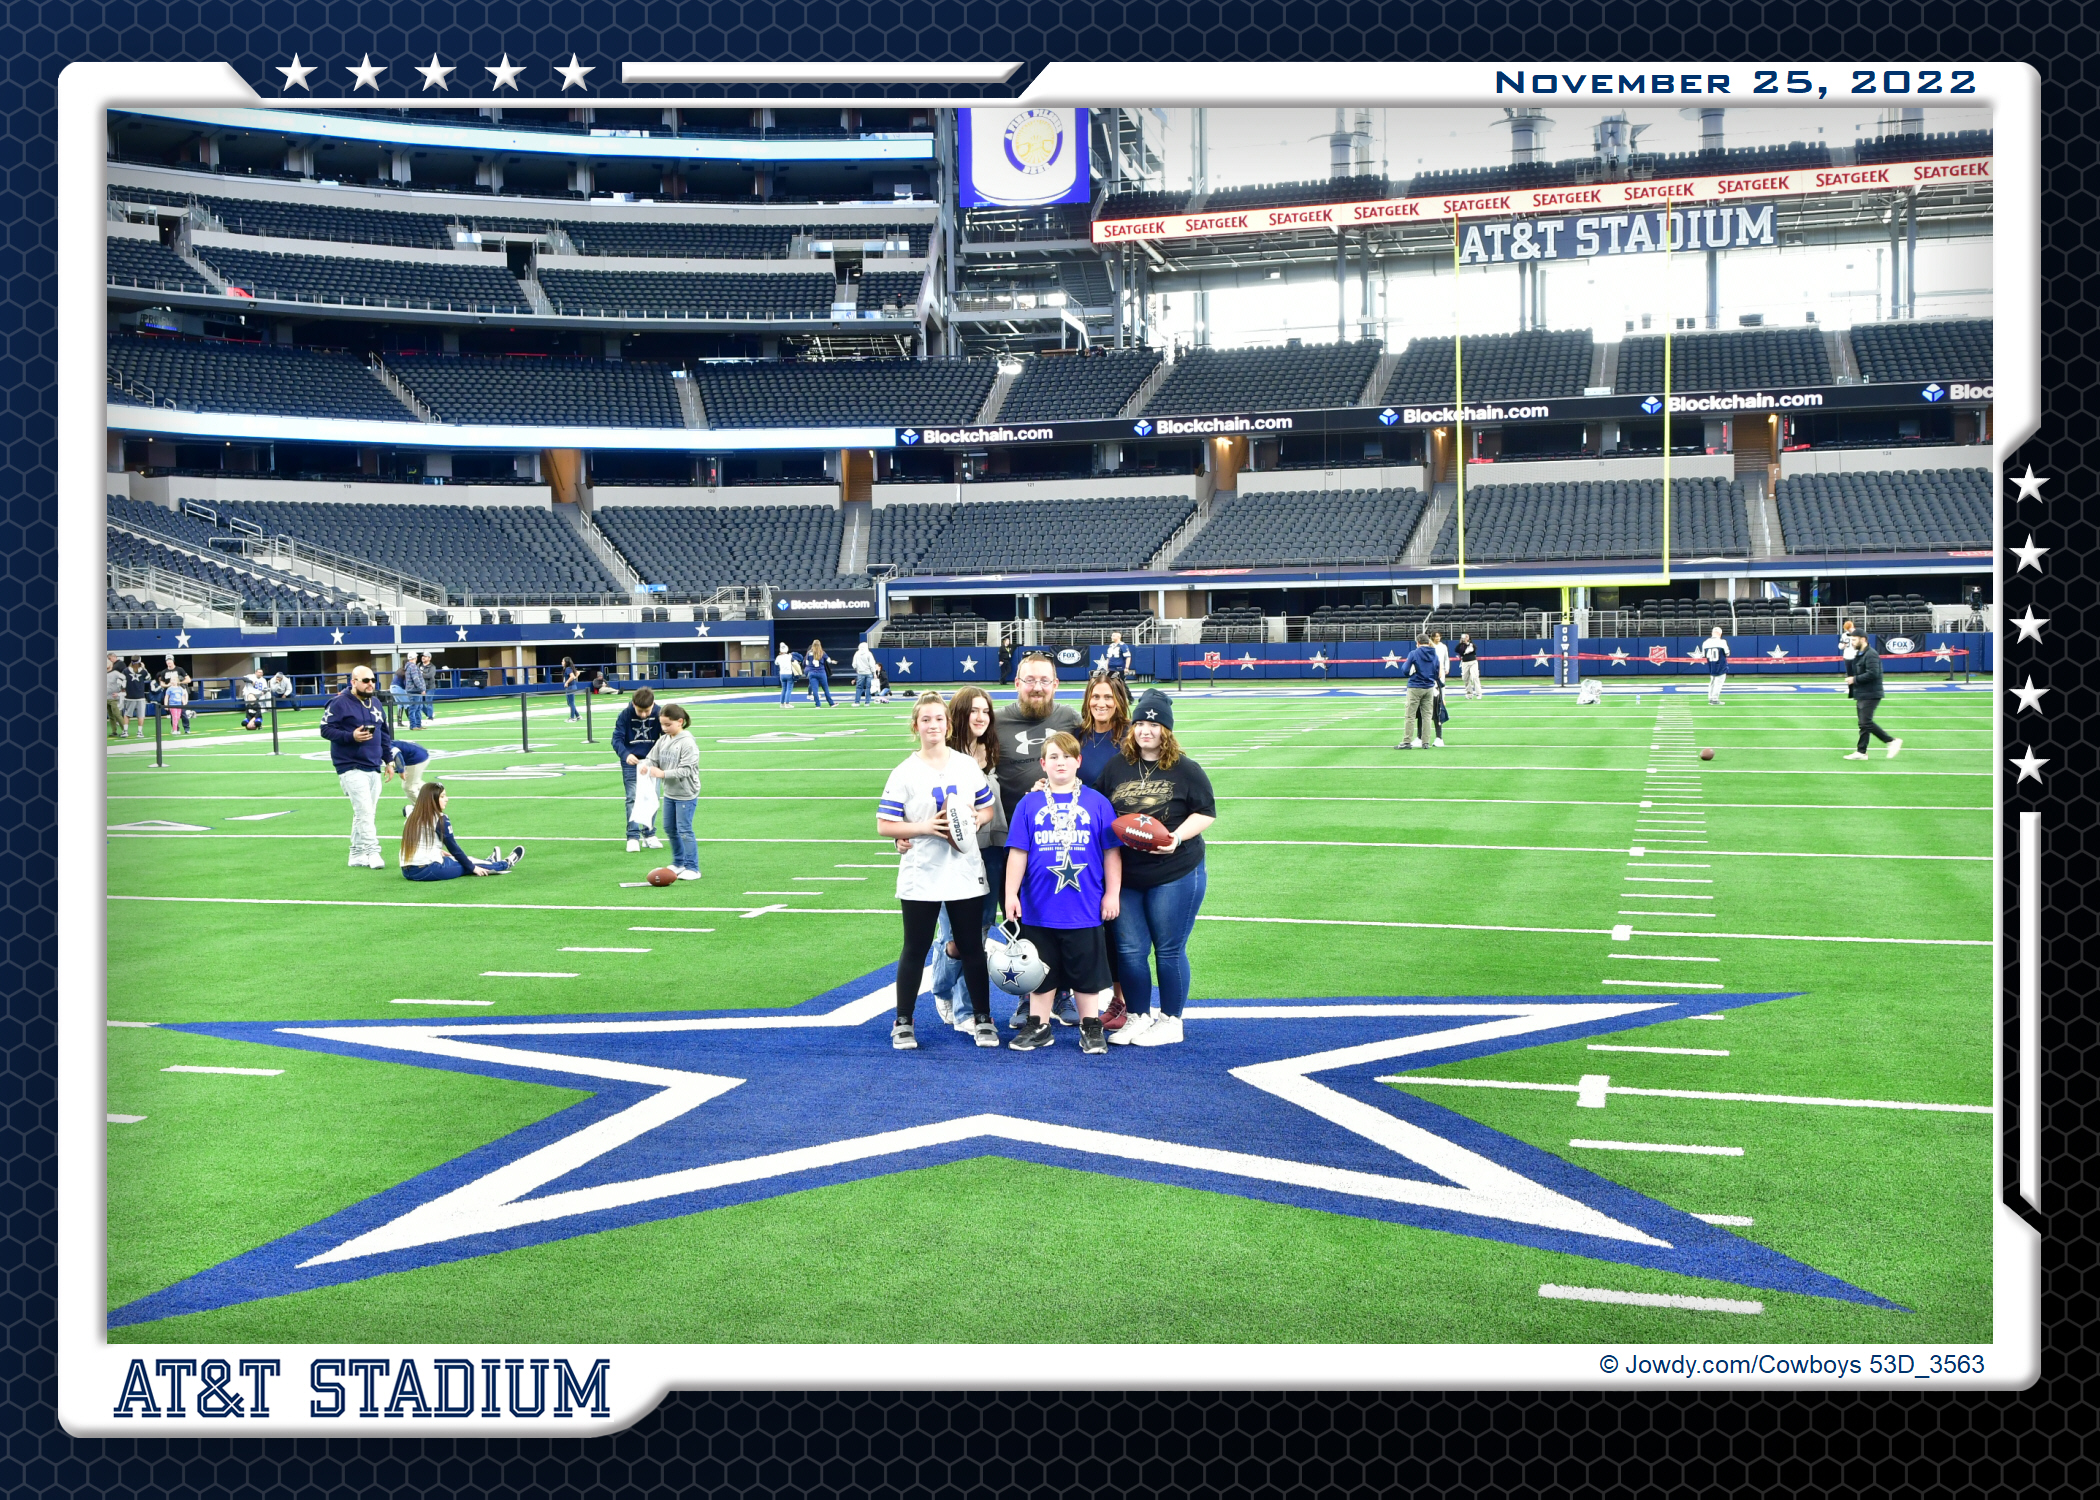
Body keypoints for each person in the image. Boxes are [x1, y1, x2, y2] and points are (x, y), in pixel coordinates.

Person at [875, 691, 999, 1051]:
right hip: (922, 870)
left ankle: (983, 1018)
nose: (933, 725)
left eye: (939, 719)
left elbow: (986, 809)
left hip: (963, 869)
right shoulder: (904, 771)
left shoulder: (966, 765)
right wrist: (925, 828)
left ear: (948, 725)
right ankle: (903, 1021)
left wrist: (974, 819)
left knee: (971, 945)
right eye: (926, 719)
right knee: (914, 948)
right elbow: (885, 824)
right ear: (916, 726)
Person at [1097, 691, 1214, 1047]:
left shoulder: (1186, 769)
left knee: (1168, 949)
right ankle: (1137, 1016)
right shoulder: (1116, 767)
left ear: (1167, 730)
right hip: (1128, 875)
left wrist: (1176, 837)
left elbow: (1206, 813)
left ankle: (1171, 1020)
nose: (1145, 731)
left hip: (1175, 871)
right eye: (1139, 724)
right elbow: (1098, 806)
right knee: (1130, 950)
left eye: (1154, 724)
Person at [1004, 731, 1122, 1055]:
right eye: (1053, 757)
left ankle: (1090, 1026)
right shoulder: (1029, 804)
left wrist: (1112, 894)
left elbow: (1112, 853)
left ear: (1078, 762)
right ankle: (1039, 1025)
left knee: (1086, 972)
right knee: (1040, 971)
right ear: (1042, 763)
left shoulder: (1097, 802)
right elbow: (1018, 852)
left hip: (1084, 905)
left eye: (1067, 756)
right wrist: (1011, 894)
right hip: (1038, 906)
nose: (1060, 762)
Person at [990, 652, 1083, 1024]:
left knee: (1062, 919)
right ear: (1017, 683)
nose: (1037, 687)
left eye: (1045, 680)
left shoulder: (1071, 719)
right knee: (1019, 919)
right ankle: (1029, 997)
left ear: (1056, 684)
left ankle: (1062, 993)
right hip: (1012, 842)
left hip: (1063, 842)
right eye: (1030, 680)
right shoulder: (995, 722)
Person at [927, 686, 1006, 1034]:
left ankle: (965, 1007)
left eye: (986, 711)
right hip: (953, 853)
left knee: (982, 930)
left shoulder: (994, 749)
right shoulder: (942, 756)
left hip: (994, 849)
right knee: (956, 936)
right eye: (974, 710)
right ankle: (945, 991)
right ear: (958, 714)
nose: (981, 717)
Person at [320, 664, 394, 869]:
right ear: (353, 682)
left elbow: (384, 733)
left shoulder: (376, 702)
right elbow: (325, 729)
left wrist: (388, 760)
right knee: (364, 812)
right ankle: (372, 851)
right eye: (366, 680)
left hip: (373, 764)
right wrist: (350, 736)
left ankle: (356, 853)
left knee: (366, 812)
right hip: (350, 765)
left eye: (373, 680)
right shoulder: (339, 703)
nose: (371, 684)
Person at [399, 781, 521, 881]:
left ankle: (488, 861)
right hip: (429, 869)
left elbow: (407, 813)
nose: (446, 799)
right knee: (467, 864)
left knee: (460, 860)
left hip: (406, 871)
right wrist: (473, 868)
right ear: (432, 799)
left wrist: (437, 850)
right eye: (442, 796)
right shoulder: (440, 819)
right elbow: (454, 849)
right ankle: (504, 864)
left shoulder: (412, 814)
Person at [637, 702, 701, 879]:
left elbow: (686, 770)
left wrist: (663, 773)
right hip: (670, 792)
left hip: (686, 793)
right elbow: (652, 758)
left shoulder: (687, 743)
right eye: (662, 724)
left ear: (680, 721)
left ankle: (693, 867)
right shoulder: (664, 739)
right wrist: (646, 765)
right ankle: (679, 862)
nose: (664, 728)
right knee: (669, 828)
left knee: (684, 830)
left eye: (668, 724)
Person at [614, 686, 665, 854]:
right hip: (631, 762)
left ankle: (649, 834)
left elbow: (666, 737)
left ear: (653, 704)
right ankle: (633, 836)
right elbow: (617, 739)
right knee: (632, 798)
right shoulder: (625, 715)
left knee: (653, 797)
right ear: (633, 704)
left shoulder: (660, 713)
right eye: (640, 711)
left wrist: (659, 759)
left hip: (652, 762)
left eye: (647, 711)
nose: (643, 715)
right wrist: (625, 754)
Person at [1843, 632, 1902, 762]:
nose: (1852, 642)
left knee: (1865, 722)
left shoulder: (1871, 654)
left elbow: (1873, 673)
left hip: (1871, 693)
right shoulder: (1860, 654)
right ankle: (1861, 752)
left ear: (1863, 639)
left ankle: (1891, 741)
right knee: (1863, 724)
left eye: (1854, 640)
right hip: (1862, 692)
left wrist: (1854, 679)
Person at [1077, 670, 1130, 786]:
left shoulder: (1132, 735)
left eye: (1108, 697)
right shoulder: (1077, 735)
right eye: (1095, 697)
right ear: (1088, 700)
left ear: (1119, 700)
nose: (1101, 704)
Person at [1395, 636, 1441, 750]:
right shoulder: (1434, 654)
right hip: (1429, 687)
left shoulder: (1414, 653)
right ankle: (1425, 742)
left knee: (1410, 715)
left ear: (1418, 642)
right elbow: (1437, 673)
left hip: (1415, 686)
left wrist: (1412, 674)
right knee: (1427, 716)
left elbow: (1405, 670)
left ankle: (1407, 741)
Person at [389, 738, 431, 816]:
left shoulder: (382, 745)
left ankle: (425, 811)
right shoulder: (385, 742)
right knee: (414, 781)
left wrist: (401, 770)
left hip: (416, 758)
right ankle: (434, 793)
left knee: (409, 787)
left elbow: (397, 754)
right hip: (421, 754)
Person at [1699, 626, 1730, 706]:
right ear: (1720, 634)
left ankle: (1710, 698)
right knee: (1718, 683)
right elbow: (1727, 653)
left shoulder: (1705, 642)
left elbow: (1703, 655)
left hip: (1711, 664)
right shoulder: (1722, 642)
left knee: (1712, 682)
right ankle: (1715, 699)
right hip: (1720, 664)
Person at [121, 658, 153, 737]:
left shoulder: (126, 670)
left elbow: (121, 682)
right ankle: (139, 732)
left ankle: (125, 731)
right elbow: (149, 678)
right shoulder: (143, 671)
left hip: (129, 696)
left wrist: (123, 689)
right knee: (141, 715)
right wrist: (144, 667)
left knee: (127, 714)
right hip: (140, 696)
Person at [161, 657, 190, 735]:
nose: (168, 663)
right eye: (167, 661)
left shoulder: (179, 669)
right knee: (173, 715)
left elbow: (188, 679)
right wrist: (168, 685)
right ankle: (175, 729)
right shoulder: (164, 672)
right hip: (171, 695)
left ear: (173, 661)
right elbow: (162, 683)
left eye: (170, 661)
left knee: (183, 713)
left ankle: (186, 728)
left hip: (179, 693)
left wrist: (179, 683)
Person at [805, 640, 835, 707]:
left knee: (815, 690)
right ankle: (831, 703)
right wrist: (832, 661)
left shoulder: (809, 653)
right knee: (826, 689)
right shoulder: (822, 653)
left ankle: (818, 705)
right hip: (821, 672)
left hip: (812, 672)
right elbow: (829, 661)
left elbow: (807, 663)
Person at [400, 653, 426, 730]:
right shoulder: (413, 666)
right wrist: (422, 688)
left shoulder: (408, 666)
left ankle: (418, 725)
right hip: (414, 690)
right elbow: (416, 679)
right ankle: (413, 725)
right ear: (415, 658)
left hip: (413, 690)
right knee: (414, 708)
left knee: (417, 708)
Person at [851, 638, 878, 707]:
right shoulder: (869, 654)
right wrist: (874, 673)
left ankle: (857, 702)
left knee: (859, 688)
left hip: (860, 673)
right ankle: (867, 702)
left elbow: (854, 664)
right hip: (869, 673)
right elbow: (872, 664)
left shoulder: (857, 654)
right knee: (868, 688)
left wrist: (857, 670)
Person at [105, 655, 127, 738]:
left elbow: (124, 678)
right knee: (111, 716)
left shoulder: (115, 673)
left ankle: (125, 730)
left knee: (117, 714)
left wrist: (122, 689)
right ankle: (114, 731)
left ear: (110, 664)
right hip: (106, 697)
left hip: (114, 698)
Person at [1456, 633, 1482, 700]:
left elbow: (1471, 650)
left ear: (1469, 638)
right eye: (1464, 637)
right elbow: (1457, 650)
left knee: (1475, 676)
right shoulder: (1462, 645)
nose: (1465, 638)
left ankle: (1478, 693)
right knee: (1466, 678)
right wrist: (1460, 643)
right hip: (1464, 662)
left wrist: (1466, 643)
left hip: (1473, 662)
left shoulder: (1471, 645)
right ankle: (1469, 694)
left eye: (1467, 636)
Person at [417, 653, 438, 720]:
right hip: (421, 687)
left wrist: (421, 674)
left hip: (429, 687)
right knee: (419, 702)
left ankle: (430, 717)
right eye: (423, 656)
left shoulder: (432, 667)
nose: (423, 657)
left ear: (429, 658)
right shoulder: (419, 665)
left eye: (425, 656)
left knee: (429, 702)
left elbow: (430, 675)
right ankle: (429, 714)